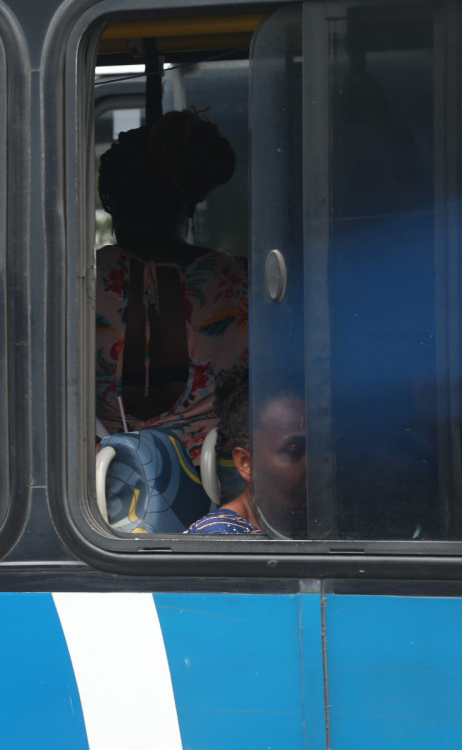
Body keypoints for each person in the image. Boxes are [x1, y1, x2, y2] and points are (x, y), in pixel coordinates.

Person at [95, 110, 248, 464]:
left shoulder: (87, 277)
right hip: (224, 469)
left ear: (114, 203)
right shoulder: (242, 278)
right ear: (191, 204)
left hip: (107, 472)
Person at [186, 364, 307, 535]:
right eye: (294, 451)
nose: (319, 466)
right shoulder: (221, 539)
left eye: (325, 453)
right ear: (246, 463)